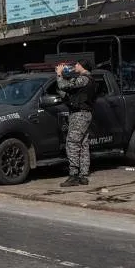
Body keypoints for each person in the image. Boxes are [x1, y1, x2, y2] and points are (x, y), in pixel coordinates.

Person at [55, 58, 97, 187]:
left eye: (77, 64)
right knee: (83, 144)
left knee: (72, 143)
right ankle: (83, 175)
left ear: (82, 66)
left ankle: (73, 175)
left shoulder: (84, 79)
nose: (75, 66)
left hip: (80, 114)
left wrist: (59, 74)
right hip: (83, 114)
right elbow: (69, 92)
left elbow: (64, 86)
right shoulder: (88, 79)